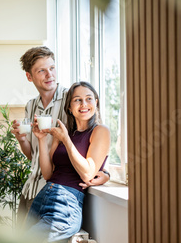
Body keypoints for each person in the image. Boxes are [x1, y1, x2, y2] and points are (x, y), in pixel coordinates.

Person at [0, 81, 111, 243]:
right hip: (43, 198)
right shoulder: (63, 134)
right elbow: (48, 173)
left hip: (65, 205)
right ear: (69, 106)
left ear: (96, 102)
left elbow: (88, 172)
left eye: (89, 98)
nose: (84, 104)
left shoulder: (100, 132)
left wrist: (67, 141)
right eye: (77, 99)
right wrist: (40, 139)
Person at [11, 46, 109, 227]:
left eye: (52, 68)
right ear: (29, 76)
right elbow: (34, 156)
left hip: (56, 191)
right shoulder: (31, 105)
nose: (49, 75)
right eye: (41, 70)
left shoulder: (72, 100)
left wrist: (105, 172)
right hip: (30, 188)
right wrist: (22, 139)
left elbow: (88, 137)